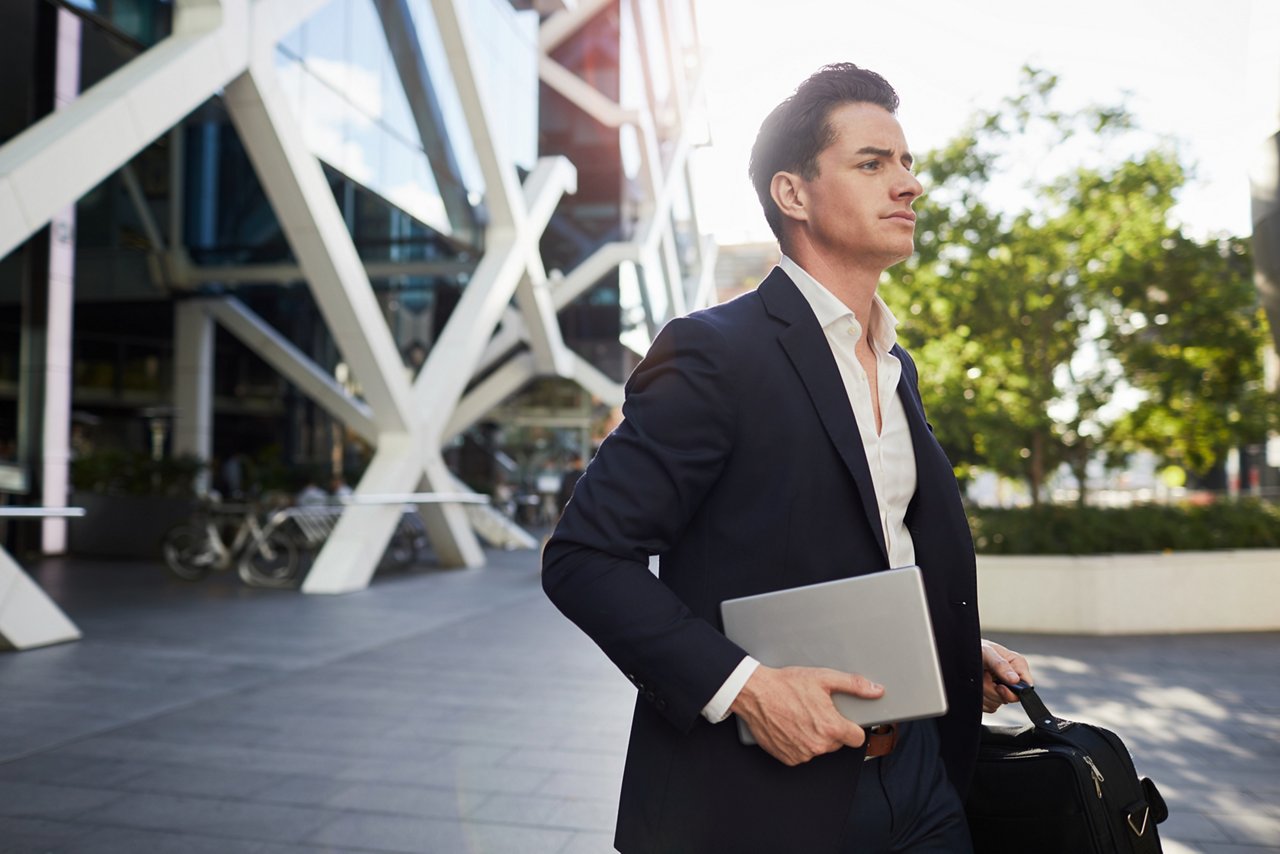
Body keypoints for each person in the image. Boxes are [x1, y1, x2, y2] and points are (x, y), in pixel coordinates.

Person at [542, 63, 1035, 853]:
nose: (908, 184)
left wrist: (945, 648)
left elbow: (865, 546)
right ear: (793, 194)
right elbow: (584, 558)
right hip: (760, 805)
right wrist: (745, 690)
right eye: (872, 164)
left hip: (921, 779)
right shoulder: (712, 353)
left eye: (907, 163)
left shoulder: (894, 362)